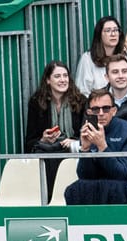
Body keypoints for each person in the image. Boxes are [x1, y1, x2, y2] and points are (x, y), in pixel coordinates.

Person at [64, 88, 127, 204]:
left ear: (114, 110)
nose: (101, 113)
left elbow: (121, 173)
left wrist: (102, 147)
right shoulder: (88, 130)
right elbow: (84, 176)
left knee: (113, 189)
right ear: (89, 112)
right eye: (96, 109)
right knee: (75, 189)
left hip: (125, 183)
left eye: (106, 109)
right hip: (99, 183)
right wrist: (85, 150)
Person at [24, 60, 86, 201]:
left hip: (71, 149)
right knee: (46, 155)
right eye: (57, 76)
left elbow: (86, 135)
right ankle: (48, 199)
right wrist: (43, 139)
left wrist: (73, 140)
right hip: (48, 149)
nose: (63, 80)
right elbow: (29, 141)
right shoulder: (36, 102)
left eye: (65, 76)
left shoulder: (81, 101)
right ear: (47, 80)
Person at [75, 16, 127, 96]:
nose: (113, 34)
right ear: (99, 34)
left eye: (116, 30)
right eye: (108, 31)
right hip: (99, 105)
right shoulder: (87, 59)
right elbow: (83, 91)